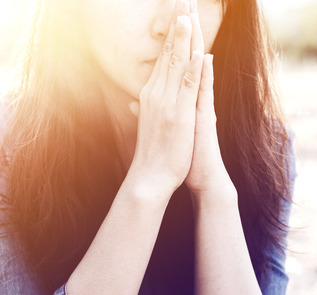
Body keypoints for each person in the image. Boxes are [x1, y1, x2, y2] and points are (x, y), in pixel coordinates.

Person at [0, 0, 296, 294]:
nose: (171, 26)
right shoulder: (10, 143)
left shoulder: (268, 146)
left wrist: (214, 193)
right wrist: (149, 182)